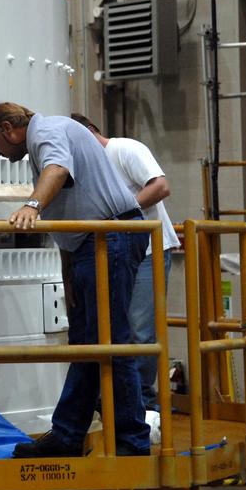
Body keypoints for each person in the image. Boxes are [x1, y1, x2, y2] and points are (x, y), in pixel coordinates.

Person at [0, 102, 151, 457]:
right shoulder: (44, 139)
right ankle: (69, 436)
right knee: (87, 344)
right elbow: (72, 215)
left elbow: (58, 171)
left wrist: (31, 206)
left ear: (10, 128)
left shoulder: (47, 132)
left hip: (110, 237)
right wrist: (68, 272)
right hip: (93, 243)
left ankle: (131, 442)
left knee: (110, 343)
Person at [70, 113, 179, 410]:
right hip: (113, 254)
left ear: (91, 131)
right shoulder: (84, 167)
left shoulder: (124, 149)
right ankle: (117, 402)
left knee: (140, 330)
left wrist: (119, 215)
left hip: (147, 252)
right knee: (112, 329)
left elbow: (160, 186)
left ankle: (142, 403)